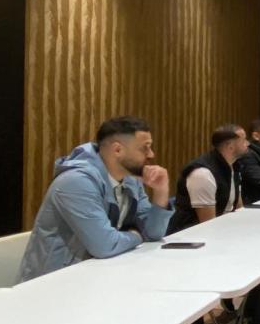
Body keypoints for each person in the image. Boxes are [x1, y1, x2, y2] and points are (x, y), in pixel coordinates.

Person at [18, 116, 171, 282]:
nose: (151, 154)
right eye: (145, 148)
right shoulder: (76, 182)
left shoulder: (131, 180)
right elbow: (105, 245)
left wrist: (161, 191)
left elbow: (153, 233)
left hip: (96, 275)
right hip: (52, 283)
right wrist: (137, 235)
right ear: (117, 150)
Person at [169, 124, 248, 233]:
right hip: (189, 236)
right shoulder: (203, 174)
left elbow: (238, 208)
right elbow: (207, 224)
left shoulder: (234, 166)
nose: (247, 143)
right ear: (230, 146)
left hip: (222, 229)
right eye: (243, 140)